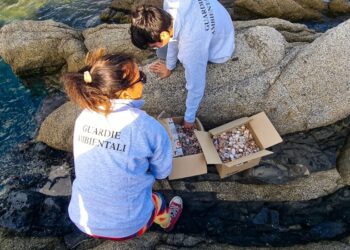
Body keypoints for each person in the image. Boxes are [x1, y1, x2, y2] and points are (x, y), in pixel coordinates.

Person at [62, 49, 183, 240]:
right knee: (158, 200)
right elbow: (162, 172)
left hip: (81, 219)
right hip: (128, 226)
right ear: (126, 92)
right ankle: (167, 221)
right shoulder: (147, 127)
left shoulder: (83, 117)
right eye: (140, 77)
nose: (143, 79)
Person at [130, 1, 235, 129]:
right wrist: (169, 66)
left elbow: (196, 86)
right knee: (163, 50)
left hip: (222, 47)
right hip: (219, 17)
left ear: (163, 35)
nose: (152, 48)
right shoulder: (171, 3)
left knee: (162, 52)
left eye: (152, 46)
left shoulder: (190, 49)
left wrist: (189, 119)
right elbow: (173, 33)